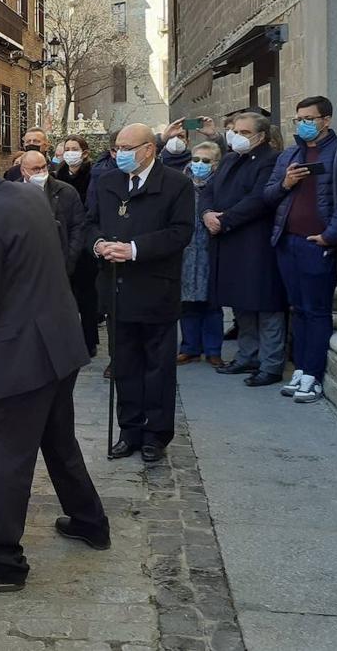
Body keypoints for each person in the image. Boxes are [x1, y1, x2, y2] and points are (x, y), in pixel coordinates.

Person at [0, 140, 109, 593]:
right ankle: (90, 520)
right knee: (58, 439)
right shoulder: (28, 195)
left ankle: (3, 562)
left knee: (6, 457)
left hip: (23, 354)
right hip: (59, 341)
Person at [86, 124, 194, 462]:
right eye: (117, 147)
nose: (120, 154)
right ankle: (129, 430)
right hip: (117, 289)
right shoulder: (107, 182)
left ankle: (156, 434)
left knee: (157, 368)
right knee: (124, 365)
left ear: (148, 149)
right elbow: (90, 222)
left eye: (127, 147)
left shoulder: (177, 184)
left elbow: (180, 233)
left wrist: (134, 249)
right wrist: (99, 243)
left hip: (155, 289)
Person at [265, 96, 337, 404]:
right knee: (298, 309)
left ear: (326, 120)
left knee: (317, 309)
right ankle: (301, 369)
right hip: (287, 241)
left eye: (309, 118)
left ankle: (313, 375)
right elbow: (268, 195)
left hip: (317, 243)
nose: (303, 124)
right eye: (299, 119)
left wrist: (330, 235)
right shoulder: (289, 155)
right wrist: (286, 182)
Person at [204, 113, 287, 383]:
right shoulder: (230, 159)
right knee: (241, 304)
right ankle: (247, 356)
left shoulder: (270, 160)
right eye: (234, 131)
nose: (235, 136)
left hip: (255, 243)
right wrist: (206, 213)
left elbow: (259, 199)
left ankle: (270, 364)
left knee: (265, 304)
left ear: (260, 136)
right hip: (228, 242)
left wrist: (224, 220)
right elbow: (208, 189)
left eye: (243, 132)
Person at [178, 142, 224, 367]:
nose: (199, 165)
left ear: (215, 164)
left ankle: (213, 349)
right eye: (196, 159)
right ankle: (189, 348)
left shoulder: (220, 185)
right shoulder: (181, 184)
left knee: (212, 305)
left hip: (211, 250)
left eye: (206, 161)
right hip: (186, 252)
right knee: (186, 304)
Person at [56, 136, 100, 356]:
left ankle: (89, 340)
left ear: (84, 152)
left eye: (75, 149)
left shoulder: (93, 175)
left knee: (86, 297)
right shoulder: (58, 176)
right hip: (63, 241)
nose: (70, 152)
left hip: (85, 244)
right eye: (67, 149)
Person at [21, 151, 84, 274]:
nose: (41, 172)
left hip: (59, 265)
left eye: (44, 167)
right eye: (35, 169)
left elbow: (78, 227)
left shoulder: (66, 192)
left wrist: (69, 258)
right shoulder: (13, 193)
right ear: (23, 171)